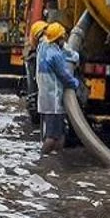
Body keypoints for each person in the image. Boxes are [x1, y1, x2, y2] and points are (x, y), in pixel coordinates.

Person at [37, 23, 80, 154]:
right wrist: (75, 83)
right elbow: (64, 75)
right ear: (59, 38)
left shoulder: (43, 47)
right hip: (53, 102)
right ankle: (41, 160)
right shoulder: (55, 55)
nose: (64, 40)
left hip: (45, 100)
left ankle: (56, 161)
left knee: (60, 135)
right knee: (52, 138)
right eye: (63, 38)